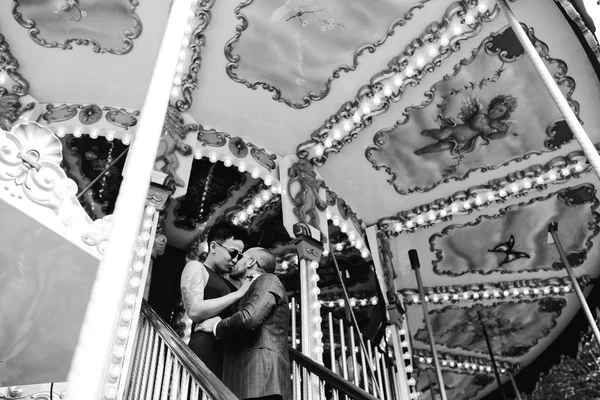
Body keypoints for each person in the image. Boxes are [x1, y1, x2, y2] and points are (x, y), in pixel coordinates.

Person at [200, 247, 291, 400]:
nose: (234, 260)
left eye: (240, 257)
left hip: (262, 380)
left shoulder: (268, 279)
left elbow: (249, 318)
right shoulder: (246, 292)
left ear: (251, 261)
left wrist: (217, 326)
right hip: (240, 382)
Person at [180, 221, 251, 379]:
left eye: (239, 256)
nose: (235, 259)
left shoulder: (231, 281)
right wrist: (238, 294)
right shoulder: (197, 267)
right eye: (233, 253)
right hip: (206, 347)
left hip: (229, 354)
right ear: (213, 247)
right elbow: (195, 310)